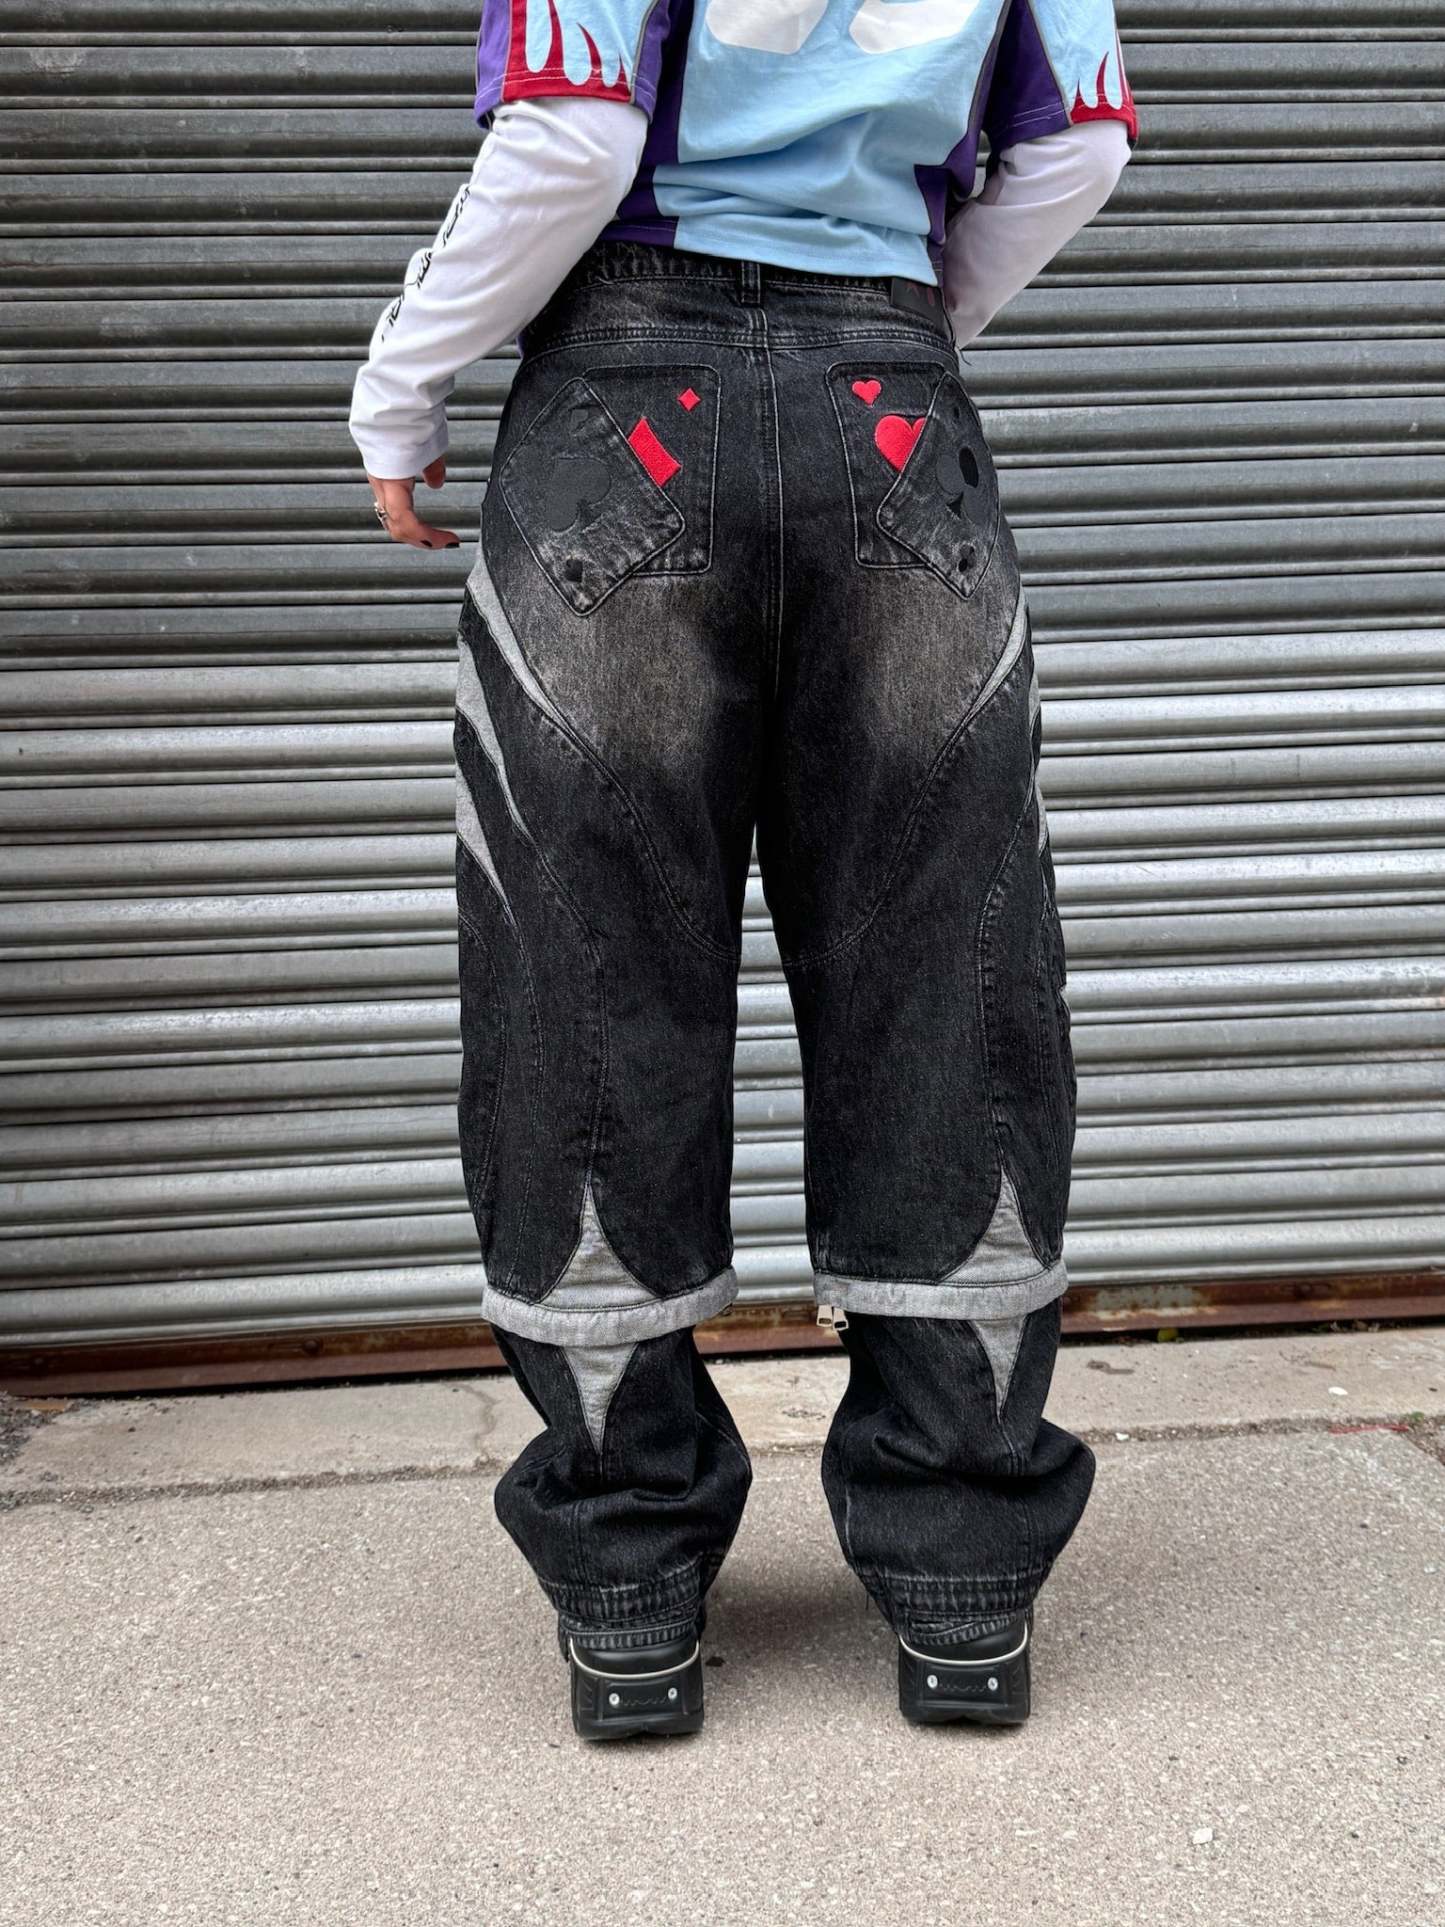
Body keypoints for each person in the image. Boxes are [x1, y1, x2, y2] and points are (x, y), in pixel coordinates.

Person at [351, 0, 1136, 1742]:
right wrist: (896, 334)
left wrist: (400, 383)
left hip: (622, 404)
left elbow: (573, 133)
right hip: (892, 409)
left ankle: (628, 1591)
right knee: (953, 975)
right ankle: (961, 1586)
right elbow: (1077, 143)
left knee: (584, 975)